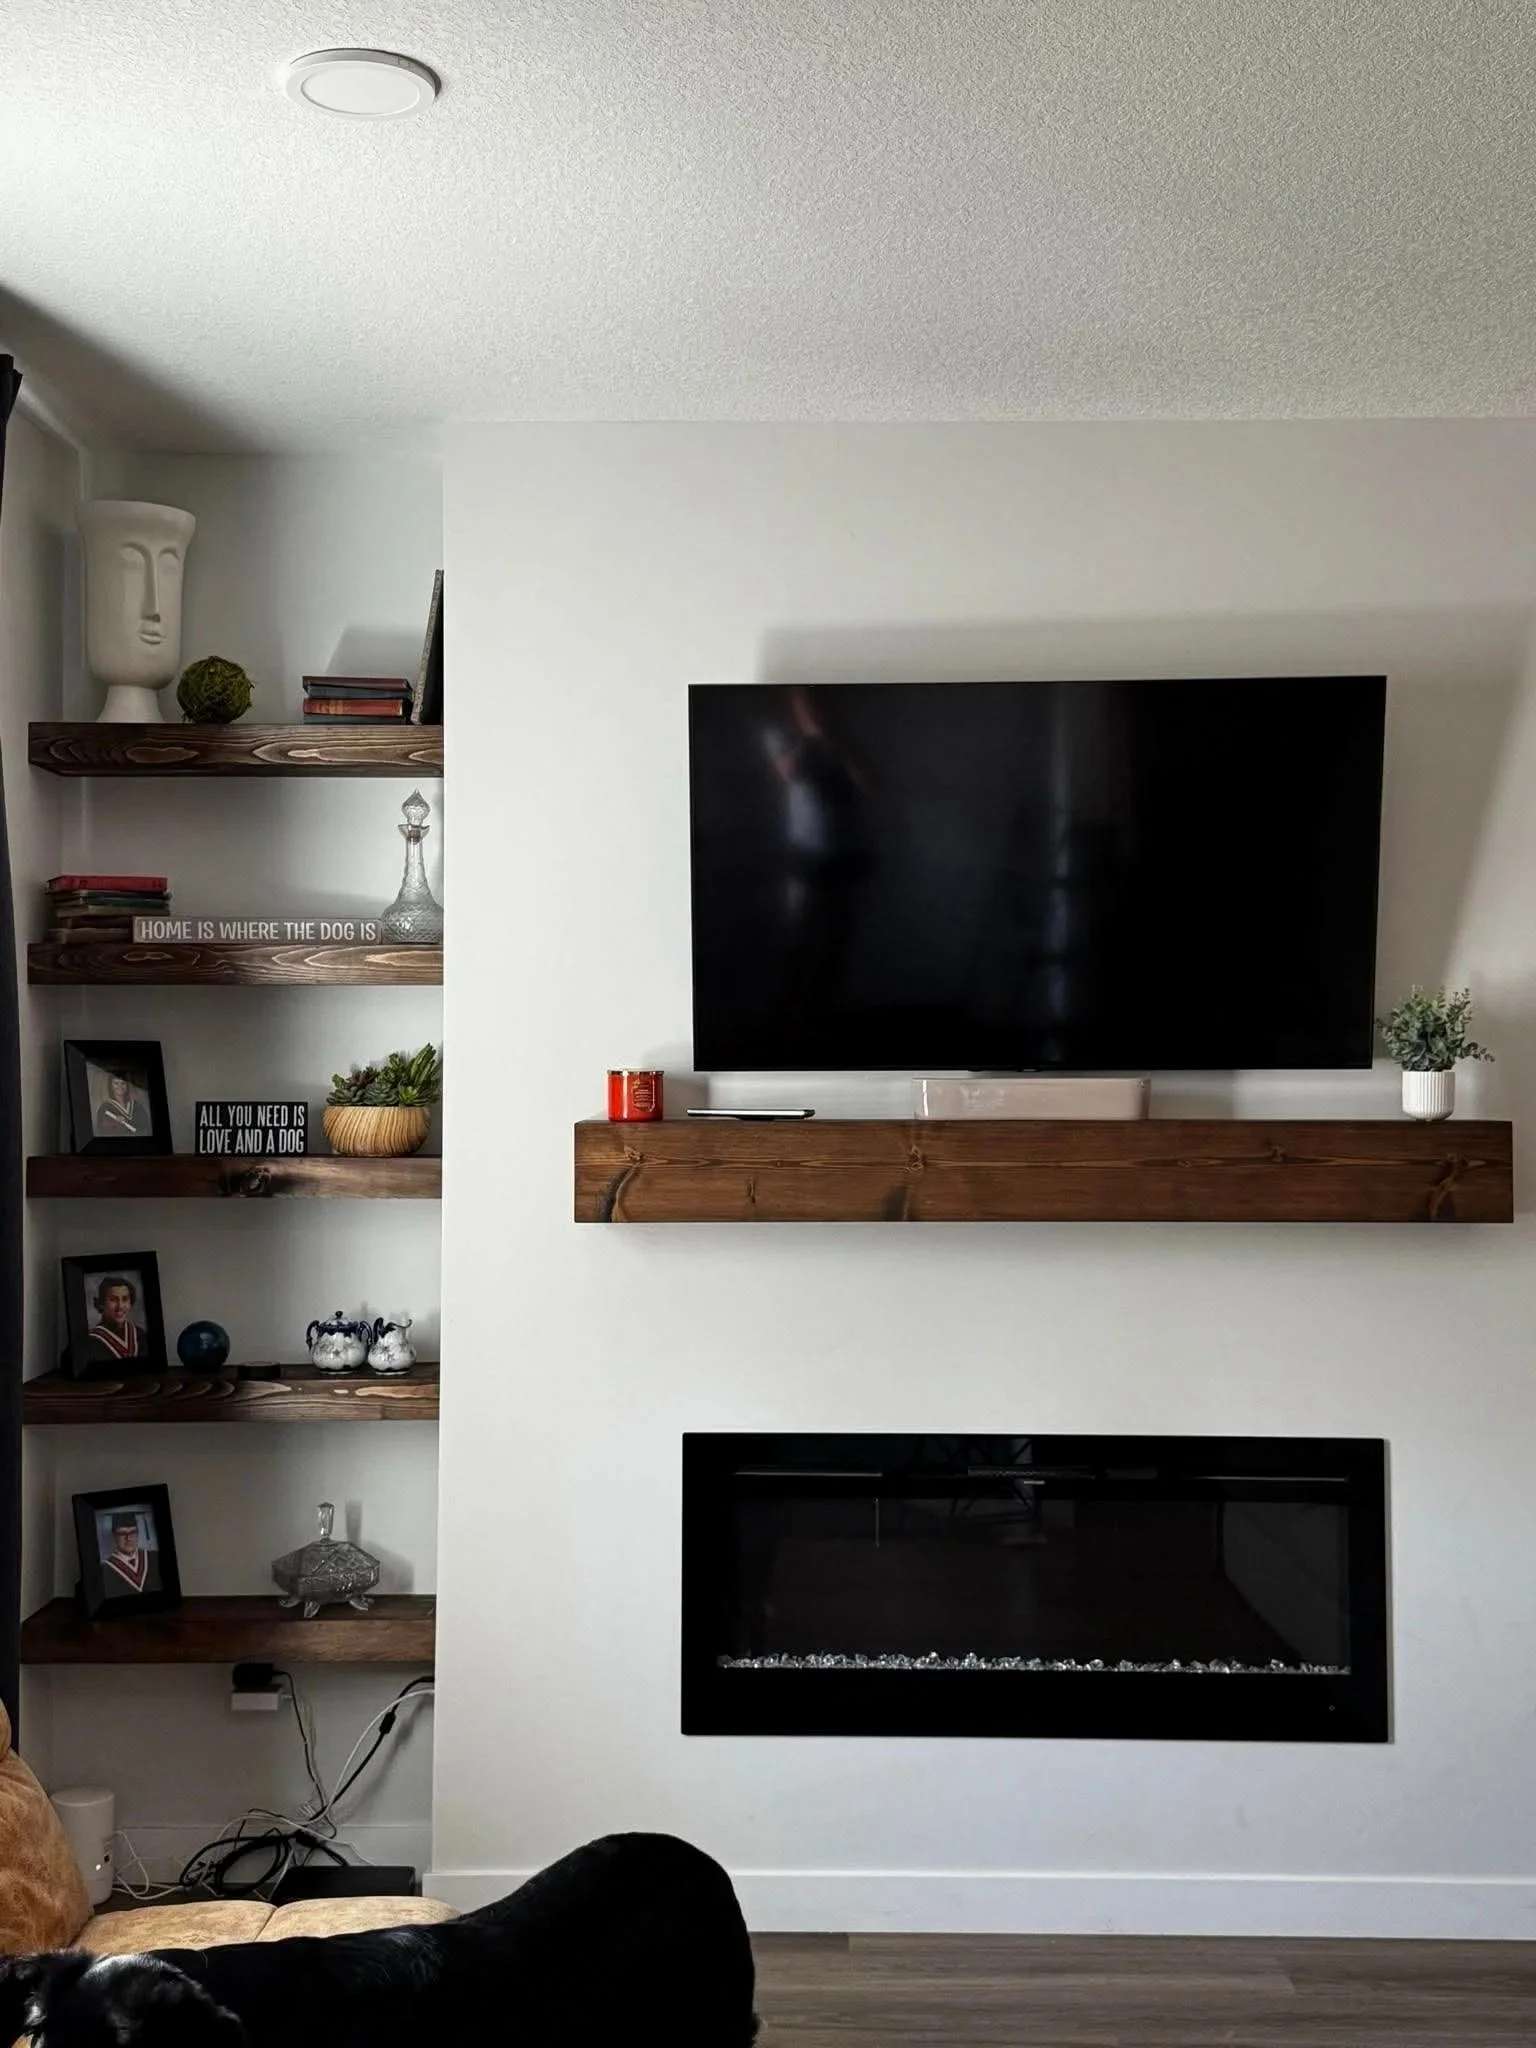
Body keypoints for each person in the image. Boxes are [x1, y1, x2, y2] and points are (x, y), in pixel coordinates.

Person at [99, 1511, 159, 1597]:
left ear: (137, 1533)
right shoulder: (104, 1571)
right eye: (122, 1533)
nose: (129, 1538)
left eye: (133, 1532)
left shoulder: (155, 1558)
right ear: (114, 1536)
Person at [87, 1275, 143, 1361]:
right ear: (101, 1303)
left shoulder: (141, 1335)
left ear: (130, 1303)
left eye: (125, 1299)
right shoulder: (91, 1341)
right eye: (113, 1299)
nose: (120, 1306)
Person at [93, 1069, 149, 1138]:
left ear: (127, 1086)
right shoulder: (105, 1107)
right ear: (111, 1086)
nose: (120, 1086)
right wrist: (116, 1123)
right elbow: (102, 1129)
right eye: (116, 1083)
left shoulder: (136, 1106)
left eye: (123, 1083)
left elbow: (145, 1126)